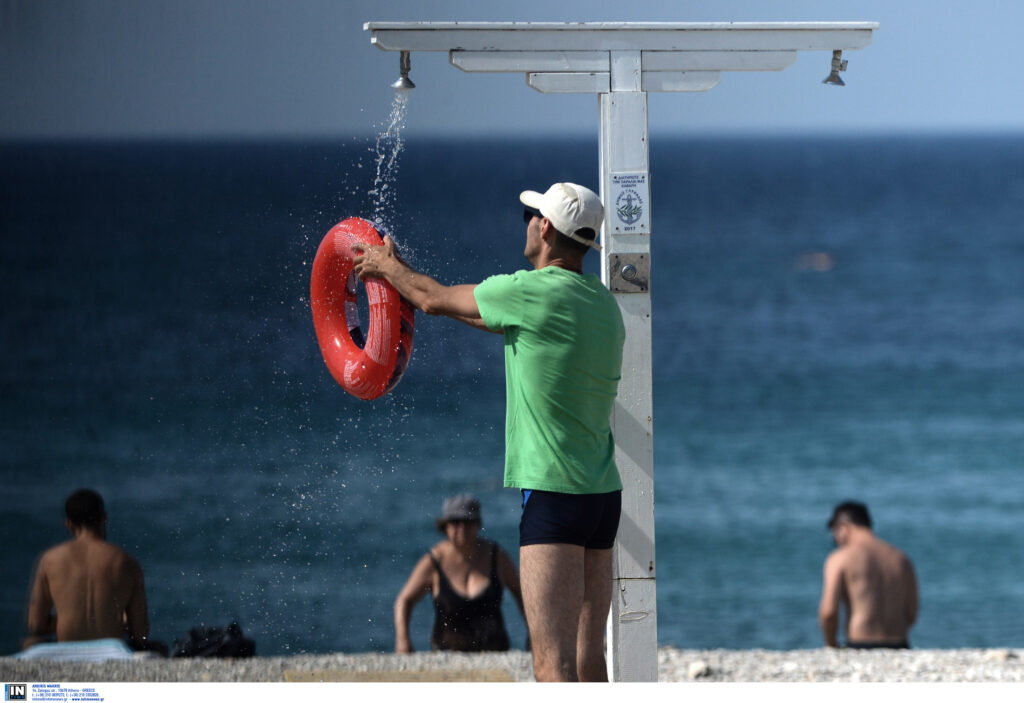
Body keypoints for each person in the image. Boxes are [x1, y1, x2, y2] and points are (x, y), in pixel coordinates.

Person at [355, 182, 625, 681]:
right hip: (603, 496)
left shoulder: (528, 291)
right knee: (591, 659)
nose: (525, 222)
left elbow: (433, 300)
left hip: (554, 494)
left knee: (552, 663)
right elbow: (498, 320)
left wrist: (386, 267)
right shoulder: (602, 304)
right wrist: (409, 281)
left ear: (545, 228)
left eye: (530, 215)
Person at [23, 489, 163, 654]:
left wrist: (70, 619)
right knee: (160, 647)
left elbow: (36, 624)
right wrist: (113, 620)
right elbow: (141, 633)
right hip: (113, 652)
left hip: (66, 651)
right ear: (104, 518)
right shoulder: (126, 562)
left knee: (30, 643)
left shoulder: (50, 560)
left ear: (69, 524)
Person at [393, 493, 525, 653]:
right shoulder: (433, 563)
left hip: (496, 653)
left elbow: (522, 593)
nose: (462, 529)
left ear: (477, 524)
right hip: (446, 655)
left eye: (468, 522)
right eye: (456, 522)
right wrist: (403, 640)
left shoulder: (496, 557)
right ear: (445, 526)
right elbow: (404, 600)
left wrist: (534, 632)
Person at [818, 501, 919, 649]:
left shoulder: (840, 558)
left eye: (834, 534)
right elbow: (911, 614)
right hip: (900, 644)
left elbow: (829, 612)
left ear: (844, 527)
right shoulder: (901, 558)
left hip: (860, 643)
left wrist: (831, 644)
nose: (836, 540)